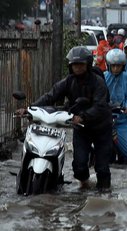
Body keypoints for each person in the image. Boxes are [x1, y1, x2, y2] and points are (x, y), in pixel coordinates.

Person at [16, 46, 113, 191]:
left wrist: (82, 116)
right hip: (81, 129)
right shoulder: (69, 81)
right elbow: (51, 95)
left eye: (80, 64)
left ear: (87, 64)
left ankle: (105, 198)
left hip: (101, 128)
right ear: (70, 66)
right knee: (79, 168)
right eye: (74, 64)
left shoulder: (98, 82)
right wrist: (30, 109)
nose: (77, 68)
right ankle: (85, 188)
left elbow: (100, 106)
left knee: (103, 169)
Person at [104, 49, 127, 165]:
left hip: (122, 122)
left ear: (123, 66)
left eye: (118, 66)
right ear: (108, 65)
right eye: (113, 66)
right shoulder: (102, 78)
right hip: (103, 121)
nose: (115, 69)